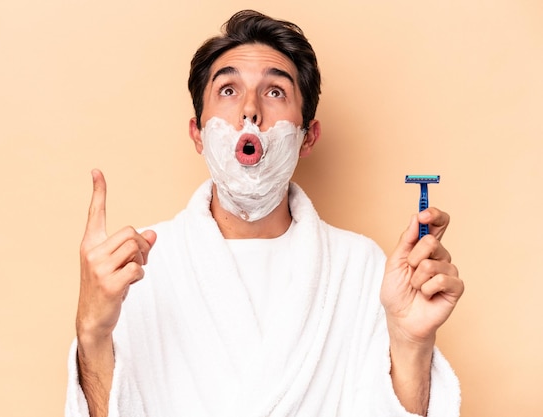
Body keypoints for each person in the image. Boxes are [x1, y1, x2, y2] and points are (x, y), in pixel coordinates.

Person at [66, 9, 464, 417]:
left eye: (275, 92)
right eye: (228, 90)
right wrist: (92, 333)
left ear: (308, 137)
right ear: (197, 134)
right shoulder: (138, 267)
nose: (250, 110)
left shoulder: (359, 267)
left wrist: (412, 343)